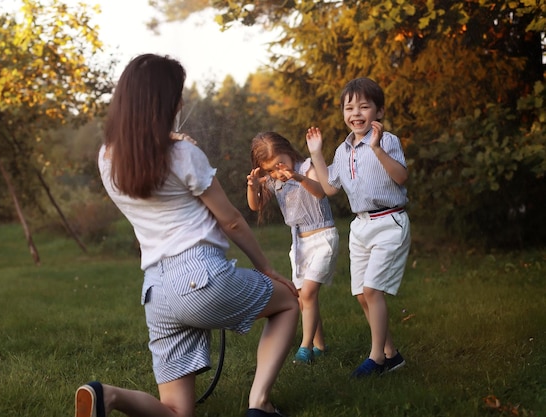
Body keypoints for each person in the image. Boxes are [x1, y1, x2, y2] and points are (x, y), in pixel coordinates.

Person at [75, 53, 299, 417]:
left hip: (157, 293)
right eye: (177, 94)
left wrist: (173, 140)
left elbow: (150, 166)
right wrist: (267, 268)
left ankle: (107, 396)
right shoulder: (182, 153)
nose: (181, 102)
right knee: (289, 302)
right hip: (200, 277)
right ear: (162, 101)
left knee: (176, 411)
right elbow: (232, 221)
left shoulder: (107, 157)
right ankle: (260, 404)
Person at [305, 77, 411, 378]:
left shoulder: (387, 140)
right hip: (361, 226)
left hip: (389, 221)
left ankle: (376, 358)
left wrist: (376, 148)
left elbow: (401, 177)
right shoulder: (342, 150)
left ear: (378, 112)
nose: (356, 113)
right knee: (362, 295)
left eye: (364, 107)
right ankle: (391, 354)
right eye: (349, 107)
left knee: (372, 289)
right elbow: (329, 187)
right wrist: (316, 152)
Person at [247, 132, 339, 364]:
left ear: (288, 152)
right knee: (303, 297)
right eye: (271, 171)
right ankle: (319, 345)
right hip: (299, 243)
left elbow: (320, 191)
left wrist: (297, 176)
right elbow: (254, 205)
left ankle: (305, 347)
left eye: (280, 166)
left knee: (308, 293)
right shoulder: (275, 180)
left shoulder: (306, 168)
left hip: (323, 237)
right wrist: (253, 186)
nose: (278, 173)